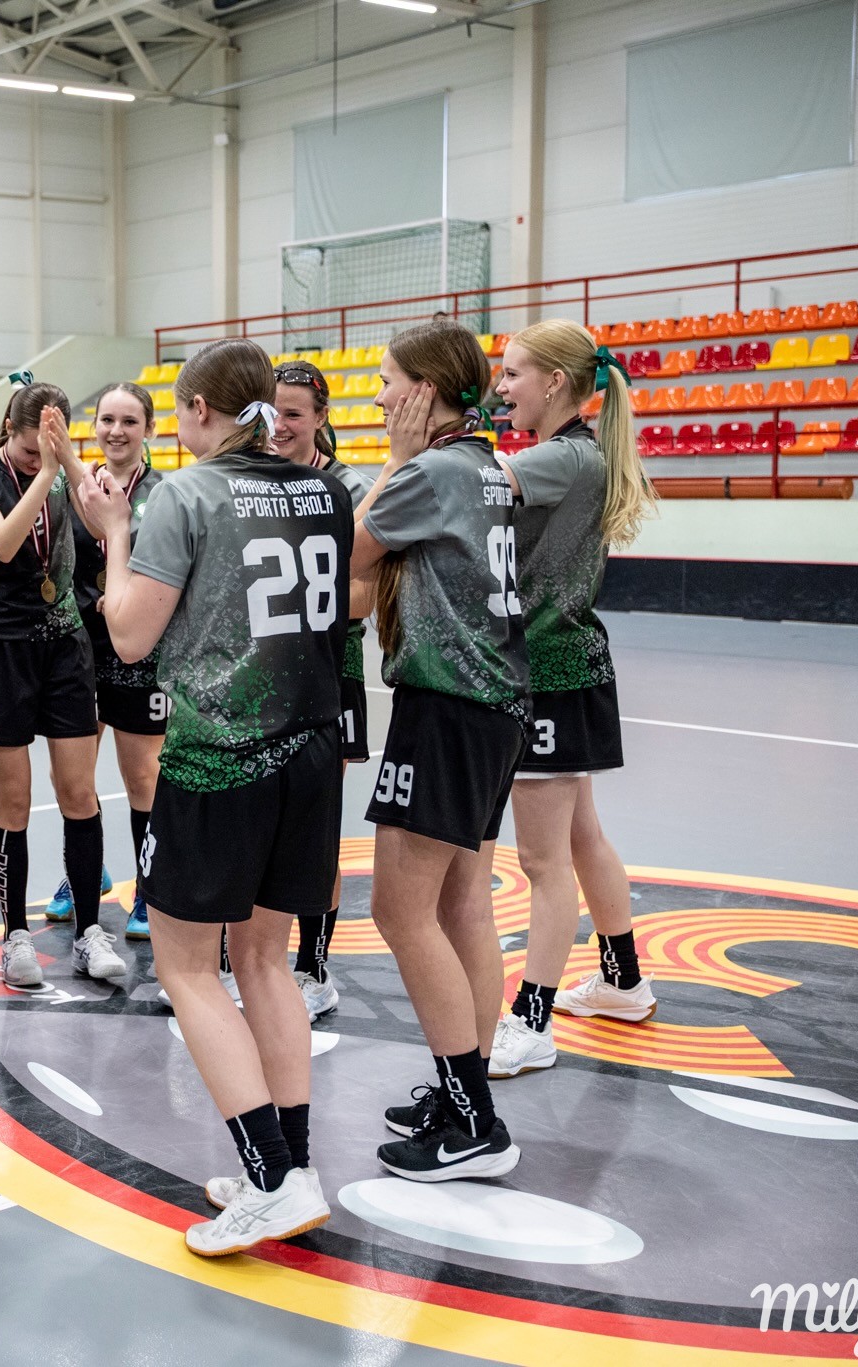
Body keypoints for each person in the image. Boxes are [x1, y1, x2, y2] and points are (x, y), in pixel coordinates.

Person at [86, 336, 346, 1255]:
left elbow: (128, 636)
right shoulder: (323, 488)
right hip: (312, 750)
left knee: (189, 967)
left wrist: (115, 532)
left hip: (222, 756)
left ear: (197, 408)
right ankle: (294, 1167)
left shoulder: (187, 495)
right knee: (267, 960)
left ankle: (272, 1178)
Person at [350, 318, 526, 1182]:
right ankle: (465, 1096)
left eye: (389, 382)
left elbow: (345, 552)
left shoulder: (429, 471)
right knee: (463, 909)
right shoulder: (488, 464)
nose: (381, 396)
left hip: (448, 706)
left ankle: (474, 1122)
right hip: (495, 704)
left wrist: (394, 458)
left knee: (400, 911)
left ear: (423, 391)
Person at [487, 319, 659, 1078]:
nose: (501, 387)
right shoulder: (575, 452)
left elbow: (472, 486)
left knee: (542, 859)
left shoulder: (559, 457)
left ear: (555, 382)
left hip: (551, 672)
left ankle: (532, 1021)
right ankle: (623, 981)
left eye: (513, 373)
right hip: (569, 665)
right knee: (582, 837)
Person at [0, 374, 117, 991]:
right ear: (9, 432)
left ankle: (89, 932)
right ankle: (15, 935)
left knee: (79, 792)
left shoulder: (69, 470)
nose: (33, 459)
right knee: (14, 802)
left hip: (65, 646)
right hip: (0, 646)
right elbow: (0, 543)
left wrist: (68, 463)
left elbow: (105, 528)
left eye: (44, 449)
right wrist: (46, 473)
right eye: (27, 450)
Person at [271, 361, 374, 1020]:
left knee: (315, 823)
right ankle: (241, 958)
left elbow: (367, 593)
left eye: (294, 414)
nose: (280, 426)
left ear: (321, 417)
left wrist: (296, 599)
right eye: (271, 412)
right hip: (262, 672)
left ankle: (313, 968)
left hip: (331, 670)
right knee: (259, 817)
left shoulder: (350, 487)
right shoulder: (251, 480)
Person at [49, 381, 164, 941]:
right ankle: (86, 872)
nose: (116, 431)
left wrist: (125, 597)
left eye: (129, 421)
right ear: (93, 426)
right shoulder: (67, 487)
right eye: (107, 420)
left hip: (137, 645)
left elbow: (156, 561)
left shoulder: (164, 493)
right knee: (72, 775)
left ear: (150, 430)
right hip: (78, 646)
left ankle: (150, 886)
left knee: (142, 775)